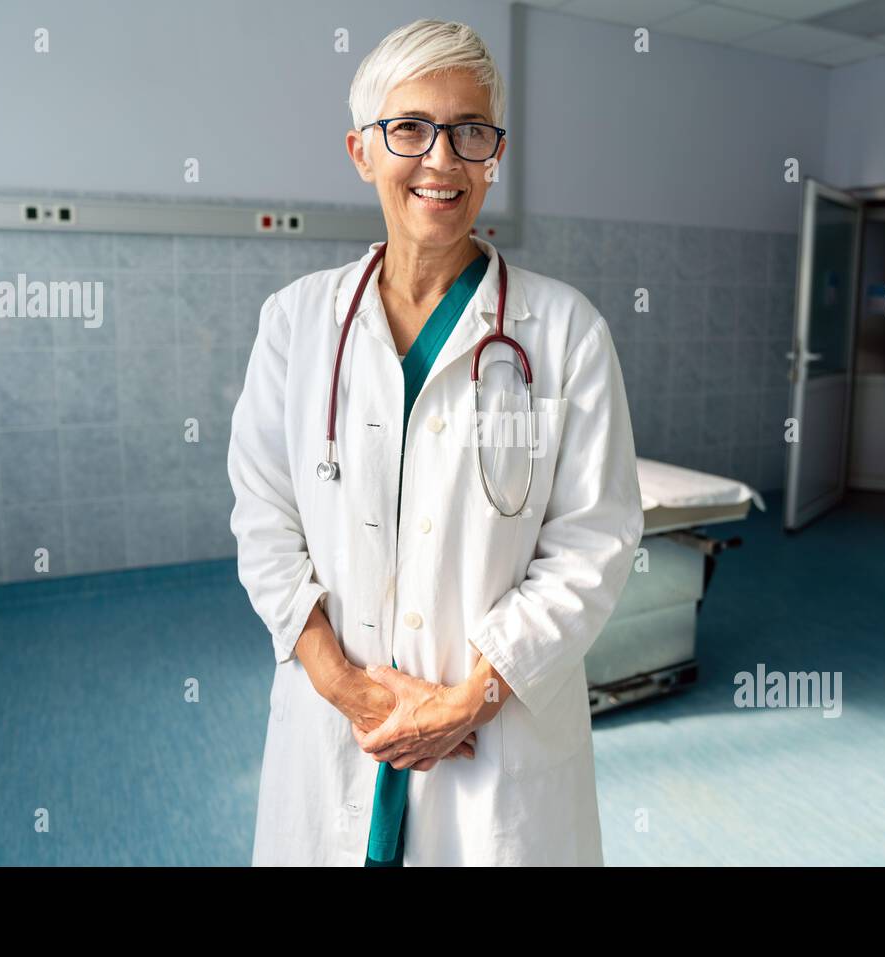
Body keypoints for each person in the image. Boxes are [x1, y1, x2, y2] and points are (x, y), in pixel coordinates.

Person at [228, 17, 644, 866]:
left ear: (496, 154)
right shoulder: (297, 324)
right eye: (410, 129)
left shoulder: (564, 333)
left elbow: (594, 543)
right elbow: (264, 520)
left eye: (470, 133)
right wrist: (343, 684)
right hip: (333, 725)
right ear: (362, 150)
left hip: (494, 744)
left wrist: (469, 699)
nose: (442, 160)